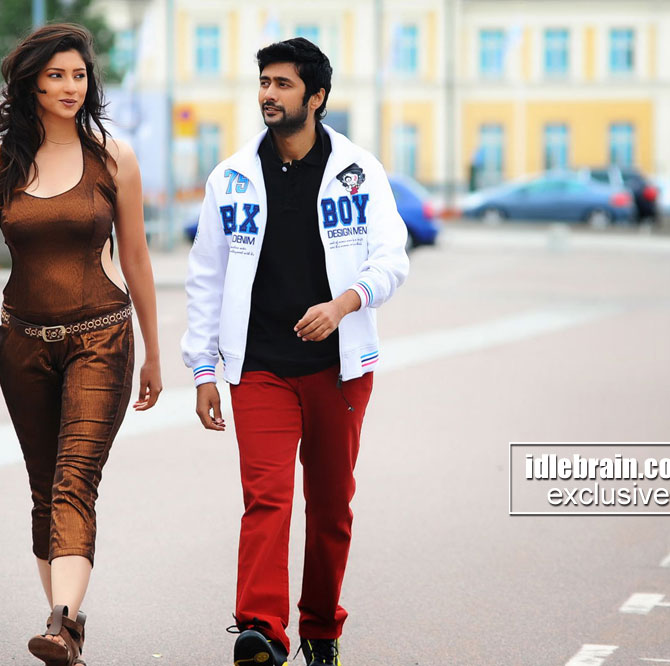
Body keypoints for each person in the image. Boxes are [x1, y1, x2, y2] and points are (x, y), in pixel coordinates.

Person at [181, 37, 409, 666]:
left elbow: (392, 259)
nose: (268, 94)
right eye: (264, 82)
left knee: (331, 508)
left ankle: (321, 630)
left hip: (340, 369)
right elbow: (205, 277)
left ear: (317, 96)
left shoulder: (358, 171)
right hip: (259, 367)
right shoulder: (231, 178)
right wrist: (203, 369)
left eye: (282, 84)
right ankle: (261, 630)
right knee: (267, 497)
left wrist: (345, 303)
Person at [0, 23, 162, 666]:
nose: (71, 86)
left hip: (102, 337)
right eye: (56, 75)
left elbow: (137, 259)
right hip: (22, 344)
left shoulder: (113, 158)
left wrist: (153, 352)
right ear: (31, 83)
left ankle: (60, 622)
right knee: (45, 487)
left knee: (74, 478)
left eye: (79, 75)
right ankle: (67, 629)